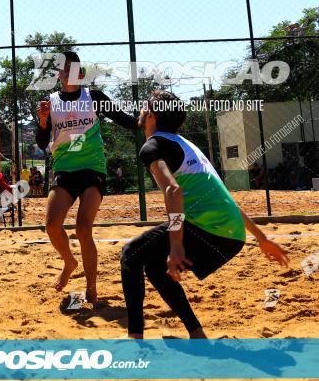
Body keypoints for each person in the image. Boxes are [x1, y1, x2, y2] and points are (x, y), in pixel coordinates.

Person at [121, 90, 288, 339]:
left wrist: (175, 244)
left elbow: (173, 190)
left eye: (145, 107)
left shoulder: (152, 146)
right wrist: (261, 237)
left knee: (130, 255)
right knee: (156, 267)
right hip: (232, 237)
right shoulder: (186, 144)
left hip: (209, 231)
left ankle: (134, 337)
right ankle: (196, 333)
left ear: (152, 116)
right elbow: (224, 197)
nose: (141, 111)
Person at [36, 50, 138, 305]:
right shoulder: (50, 103)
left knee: (83, 228)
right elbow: (41, 143)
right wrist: (42, 121)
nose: (65, 71)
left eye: (71, 67)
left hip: (92, 169)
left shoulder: (93, 97)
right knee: (51, 225)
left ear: (80, 73)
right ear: (59, 74)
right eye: (62, 68)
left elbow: (125, 121)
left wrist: (149, 121)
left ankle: (91, 287)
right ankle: (69, 262)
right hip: (64, 169)